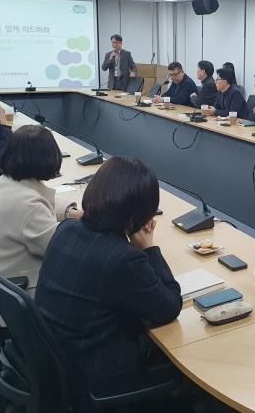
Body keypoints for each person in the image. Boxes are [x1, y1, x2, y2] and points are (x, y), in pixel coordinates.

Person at [35, 156, 182, 411]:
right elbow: (169, 307)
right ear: (139, 214)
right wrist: (149, 248)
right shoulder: (123, 260)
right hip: (96, 372)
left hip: (58, 357)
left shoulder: (66, 229)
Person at [0, 125, 81, 293]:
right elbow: (63, 247)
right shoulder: (29, 206)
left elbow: (39, 201)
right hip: (18, 291)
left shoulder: (5, 182)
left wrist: (69, 212)